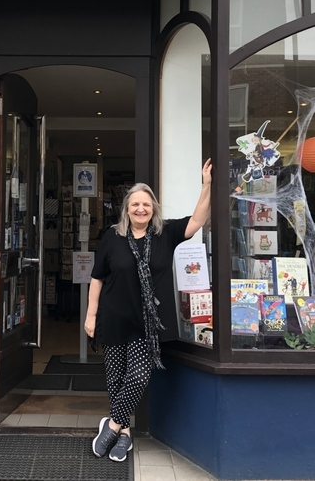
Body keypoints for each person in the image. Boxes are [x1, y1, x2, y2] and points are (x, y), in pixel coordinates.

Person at [84, 159, 212, 462]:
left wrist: (206, 185)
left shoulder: (165, 234)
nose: (141, 209)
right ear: (127, 208)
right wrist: (91, 316)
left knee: (139, 376)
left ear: (153, 207)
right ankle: (125, 434)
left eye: (146, 204)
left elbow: (198, 219)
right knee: (116, 379)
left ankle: (112, 423)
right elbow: (97, 278)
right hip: (114, 318)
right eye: (135, 204)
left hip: (148, 323)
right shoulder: (111, 237)